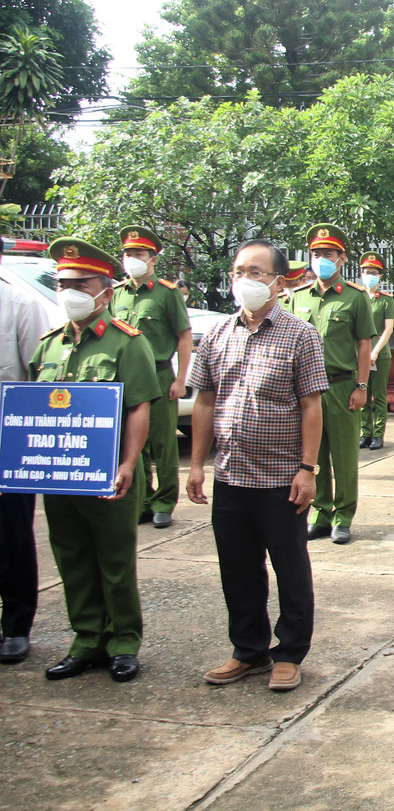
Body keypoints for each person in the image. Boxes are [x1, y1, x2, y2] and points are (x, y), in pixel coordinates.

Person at [186, 240, 329, 693]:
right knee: (238, 569)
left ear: (278, 283)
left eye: (255, 272)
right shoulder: (217, 335)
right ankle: (248, 651)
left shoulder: (300, 334)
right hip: (230, 475)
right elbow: (205, 402)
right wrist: (194, 466)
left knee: (290, 569)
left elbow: (311, 406)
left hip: (281, 478)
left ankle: (289, 653)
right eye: (238, 272)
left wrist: (307, 468)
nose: (244, 280)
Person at [30, 238, 161, 682]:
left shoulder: (127, 343)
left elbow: (139, 406)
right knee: (71, 555)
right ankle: (86, 639)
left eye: (79, 284)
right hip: (60, 473)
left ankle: (123, 642)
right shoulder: (49, 346)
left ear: (104, 290)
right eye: (63, 283)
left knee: (114, 558)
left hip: (111, 472)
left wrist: (129, 463)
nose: (69, 291)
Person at [286, 224, 376, 545]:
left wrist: (362, 387)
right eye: (316, 253)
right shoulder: (296, 298)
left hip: (341, 387)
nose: (321, 259)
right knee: (314, 455)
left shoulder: (354, 297)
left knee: (344, 456)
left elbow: (364, 344)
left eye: (327, 254)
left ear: (341, 259)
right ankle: (321, 513)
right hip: (307, 390)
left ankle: (343, 517)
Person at [110, 225, 192, 528]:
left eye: (139, 253)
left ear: (152, 259)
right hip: (127, 379)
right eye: (128, 253)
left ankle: (164, 502)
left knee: (163, 443)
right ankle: (142, 498)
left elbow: (184, 337)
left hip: (159, 375)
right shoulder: (116, 294)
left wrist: (180, 379)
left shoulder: (166, 294)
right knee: (133, 442)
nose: (133, 258)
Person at [0, 236, 51, 665]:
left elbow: (41, 383)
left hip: (7, 442)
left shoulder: (18, 303)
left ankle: (16, 624)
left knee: (12, 535)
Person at [357, 252, 394, 452]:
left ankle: (378, 434)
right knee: (362, 391)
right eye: (366, 271)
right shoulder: (357, 296)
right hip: (359, 354)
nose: (369, 275)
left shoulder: (386, 300)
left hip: (380, 354)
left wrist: (375, 351)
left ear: (380, 276)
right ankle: (366, 432)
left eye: (373, 272)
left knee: (379, 395)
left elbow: (388, 329)